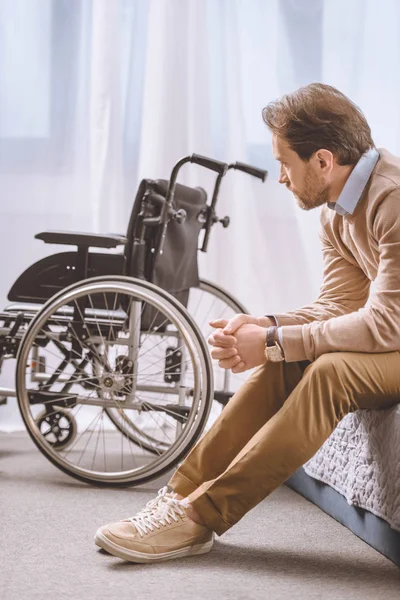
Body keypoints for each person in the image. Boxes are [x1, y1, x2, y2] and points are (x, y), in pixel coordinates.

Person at [94, 83, 400, 563]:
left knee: (328, 372)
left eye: (285, 163)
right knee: (286, 363)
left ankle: (202, 518)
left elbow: (386, 325)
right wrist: (266, 325)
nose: (280, 178)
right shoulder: (336, 213)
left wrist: (275, 341)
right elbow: (339, 306)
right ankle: (178, 498)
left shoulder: (393, 201)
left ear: (323, 160)